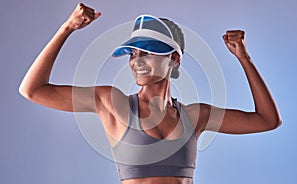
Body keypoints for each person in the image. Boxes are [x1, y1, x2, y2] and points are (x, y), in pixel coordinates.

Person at [19, 3, 282, 184]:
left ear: (174, 58)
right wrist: (67, 28)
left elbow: (267, 120)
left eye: (148, 52)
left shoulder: (195, 115)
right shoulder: (113, 103)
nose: (137, 61)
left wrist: (244, 58)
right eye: (133, 53)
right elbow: (33, 90)